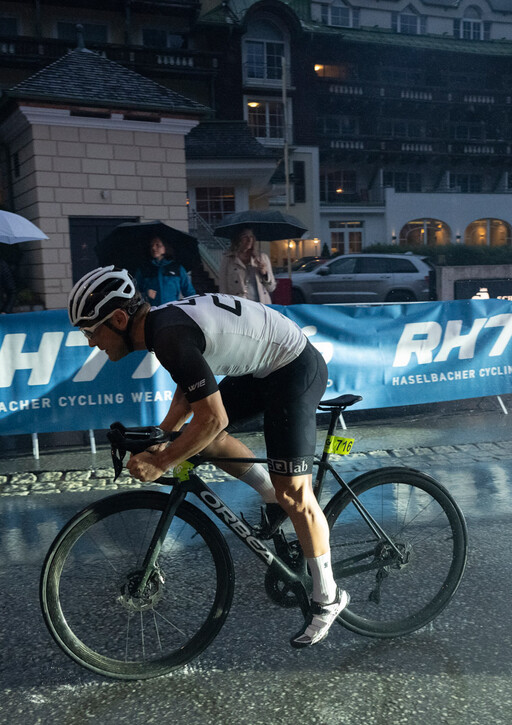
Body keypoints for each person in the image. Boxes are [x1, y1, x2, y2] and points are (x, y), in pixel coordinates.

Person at [69, 266, 347, 648]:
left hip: (294, 367)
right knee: (202, 439)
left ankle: (328, 597)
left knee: (294, 494)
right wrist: (164, 436)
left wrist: (162, 460)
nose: (90, 343)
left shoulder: (166, 334)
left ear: (118, 319)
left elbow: (215, 416)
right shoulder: (159, 330)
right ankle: (270, 498)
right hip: (263, 366)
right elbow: (190, 390)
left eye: (91, 331)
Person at [218, 227, 276, 303]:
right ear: (237, 239)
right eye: (245, 237)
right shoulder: (228, 259)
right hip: (239, 304)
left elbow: (271, 288)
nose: (249, 240)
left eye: (251, 237)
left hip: (260, 305)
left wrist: (264, 273)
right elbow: (223, 286)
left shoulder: (262, 258)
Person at [135, 236, 196, 305]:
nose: (153, 248)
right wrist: (145, 294)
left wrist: (193, 307)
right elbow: (134, 293)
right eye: (151, 245)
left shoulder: (177, 268)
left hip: (172, 310)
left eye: (157, 245)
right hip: (151, 311)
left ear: (165, 247)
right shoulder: (143, 269)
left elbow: (189, 292)